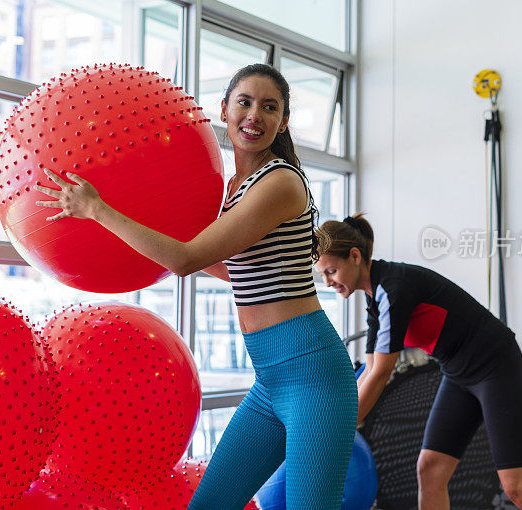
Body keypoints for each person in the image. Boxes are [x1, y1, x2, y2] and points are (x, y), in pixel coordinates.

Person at [34, 64, 358, 510]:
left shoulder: (278, 182)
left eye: (269, 107)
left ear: (282, 122)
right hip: (271, 379)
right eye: (244, 102)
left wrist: (97, 210)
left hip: (313, 376)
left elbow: (185, 260)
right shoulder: (232, 188)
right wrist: (142, 237)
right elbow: (231, 269)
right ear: (224, 109)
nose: (254, 115)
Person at [314, 213, 522, 510]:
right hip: (457, 372)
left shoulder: (394, 287)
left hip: (494, 364)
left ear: (354, 256)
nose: (327, 282)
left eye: (331, 271)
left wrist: (338, 433)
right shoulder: (375, 298)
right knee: (430, 470)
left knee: (519, 487)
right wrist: (334, 423)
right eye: (323, 274)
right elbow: (367, 371)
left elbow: (381, 373)